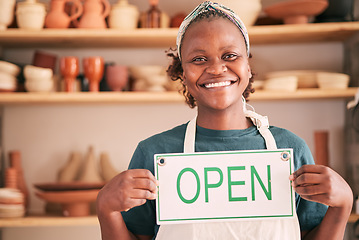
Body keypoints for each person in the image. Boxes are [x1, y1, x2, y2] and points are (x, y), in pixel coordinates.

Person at [96, 1, 353, 239]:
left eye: (230, 55)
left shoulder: (291, 149)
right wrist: (106, 210)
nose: (216, 68)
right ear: (182, 73)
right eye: (199, 59)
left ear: (248, 67)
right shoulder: (153, 153)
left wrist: (343, 205)